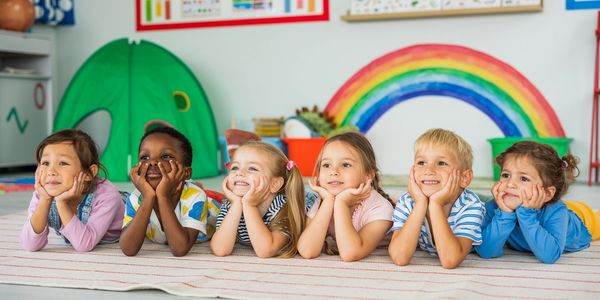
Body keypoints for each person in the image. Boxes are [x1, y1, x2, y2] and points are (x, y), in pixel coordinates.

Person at [475, 141, 599, 263]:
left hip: (585, 219)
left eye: (524, 178)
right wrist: (505, 215)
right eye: (506, 175)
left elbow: (550, 256)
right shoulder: (495, 206)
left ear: (548, 193)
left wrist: (527, 215)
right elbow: (486, 251)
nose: (510, 184)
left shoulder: (557, 211)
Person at [388, 128, 484, 269]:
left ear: (464, 178)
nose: (429, 170)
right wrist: (420, 203)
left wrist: (435, 205)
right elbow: (399, 257)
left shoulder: (470, 205)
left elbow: (450, 260)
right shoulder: (408, 201)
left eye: (441, 163)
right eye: (421, 163)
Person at [120, 127, 220, 257]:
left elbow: (180, 249)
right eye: (145, 157)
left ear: (186, 172)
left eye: (166, 156)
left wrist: (162, 197)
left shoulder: (196, 196)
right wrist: (148, 198)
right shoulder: (136, 198)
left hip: (212, 206)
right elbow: (128, 249)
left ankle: (201, 188)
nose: (153, 162)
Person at [20, 129, 124, 252]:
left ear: (89, 173)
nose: (51, 171)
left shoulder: (106, 196)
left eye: (63, 163)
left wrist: (62, 204)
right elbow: (30, 245)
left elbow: (85, 244)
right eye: (45, 163)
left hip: (128, 209)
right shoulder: (42, 194)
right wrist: (45, 200)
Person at [297, 132, 394, 262]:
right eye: (326, 165)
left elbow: (350, 253)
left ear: (368, 175)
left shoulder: (380, 208)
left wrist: (341, 203)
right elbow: (307, 251)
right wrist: (328, 202)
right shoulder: (325, 200)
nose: (334, 171)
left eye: (346, 164)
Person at [210, 141, 305, 258]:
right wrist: (236, 205)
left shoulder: (283, 208)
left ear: (275, 184)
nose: (239, 172)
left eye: (252, 168)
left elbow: (265, 250)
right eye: (235, 167)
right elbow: (220, 249)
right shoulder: (230, 205)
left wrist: (250, 206)